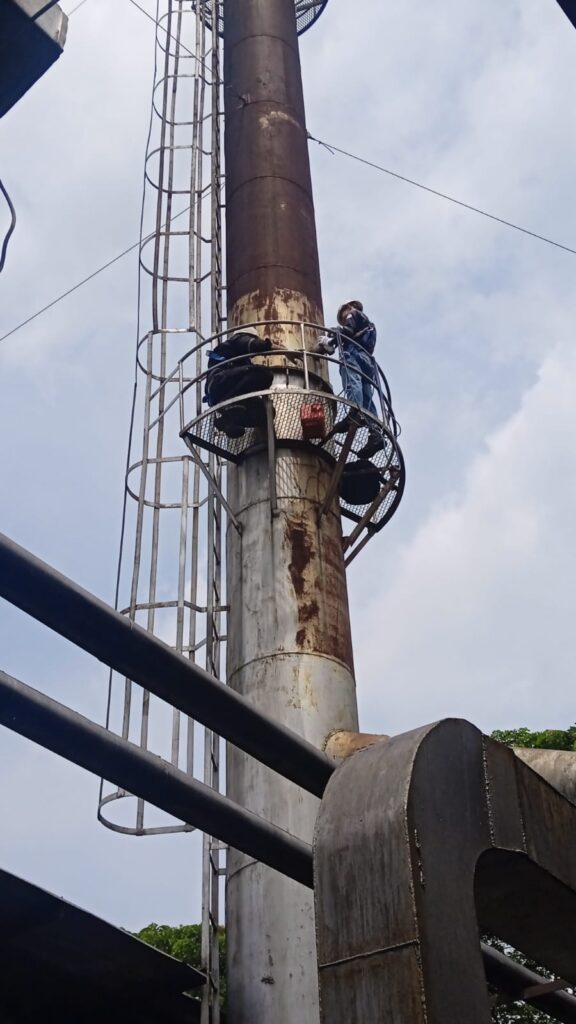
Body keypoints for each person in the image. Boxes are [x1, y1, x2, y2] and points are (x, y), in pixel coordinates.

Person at [333, 300, 383, 457]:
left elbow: (348, 331)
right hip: (367, 361)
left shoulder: (352, 314)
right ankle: (376, 433)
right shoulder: (369, 325)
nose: (344, 319)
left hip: (353, 354)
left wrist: (333, 336)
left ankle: (355, 412)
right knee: (367, 396)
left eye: (342, 317)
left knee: (352, 381)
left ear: (348, 308)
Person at [204, 327, 273, 438]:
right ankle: (230, 403)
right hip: (221, 383)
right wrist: (268, 346)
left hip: (218, 393)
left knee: (266, 413)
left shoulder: (239, 359)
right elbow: (254, 344)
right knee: (265, 374)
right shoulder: (237, 339)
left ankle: (229, 420)